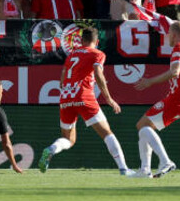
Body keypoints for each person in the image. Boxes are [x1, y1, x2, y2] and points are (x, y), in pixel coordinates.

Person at [38, 28, 133, 176]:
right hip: (84, 96)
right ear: (97, 42)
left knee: (68, 139)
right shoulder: (97, 54)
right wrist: (108, 98)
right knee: (107, 133)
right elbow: (98, 73)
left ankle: (51, 149)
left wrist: (68, 90)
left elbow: (63, 78)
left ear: (81, 41)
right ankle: (123, 169)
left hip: (66, 97)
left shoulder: (72, 54)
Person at [132, 21, 180, 178]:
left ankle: (164, 162)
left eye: (169, 33)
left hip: (178, 99)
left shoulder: (179, 49)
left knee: (143, 126)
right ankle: (145, 170)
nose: (167, 36)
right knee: (143, 126)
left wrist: (150, 81)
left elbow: (174, 72)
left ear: (175, 35)